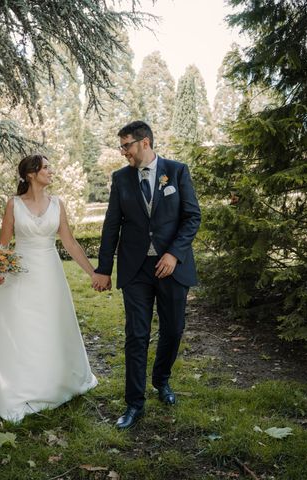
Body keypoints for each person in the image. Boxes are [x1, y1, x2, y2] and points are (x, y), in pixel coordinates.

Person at [93, 120, 201, 429]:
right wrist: (103, 269)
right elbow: (111, 225)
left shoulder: (177, 171)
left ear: (145, 143)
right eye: (122, 146)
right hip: (136, 269)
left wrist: (173, 254)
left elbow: (192, 217)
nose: (123, 151)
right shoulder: (121, 179)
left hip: (172, 268)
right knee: (136, 336)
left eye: (126, 145)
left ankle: (161, 380)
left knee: (173, 329)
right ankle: (134, 404)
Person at [0, 154, 99, 423]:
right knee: (22, 328)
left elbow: (69, 243)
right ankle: (20, 386)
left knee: (52, 325)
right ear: (31, 174)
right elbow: (3, 244)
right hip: (20, 276)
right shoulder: (14, 204)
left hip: (50, 273)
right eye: (46, 168)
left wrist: (93, 272)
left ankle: (56, 380)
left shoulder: (58, 204)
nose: (51, 171)